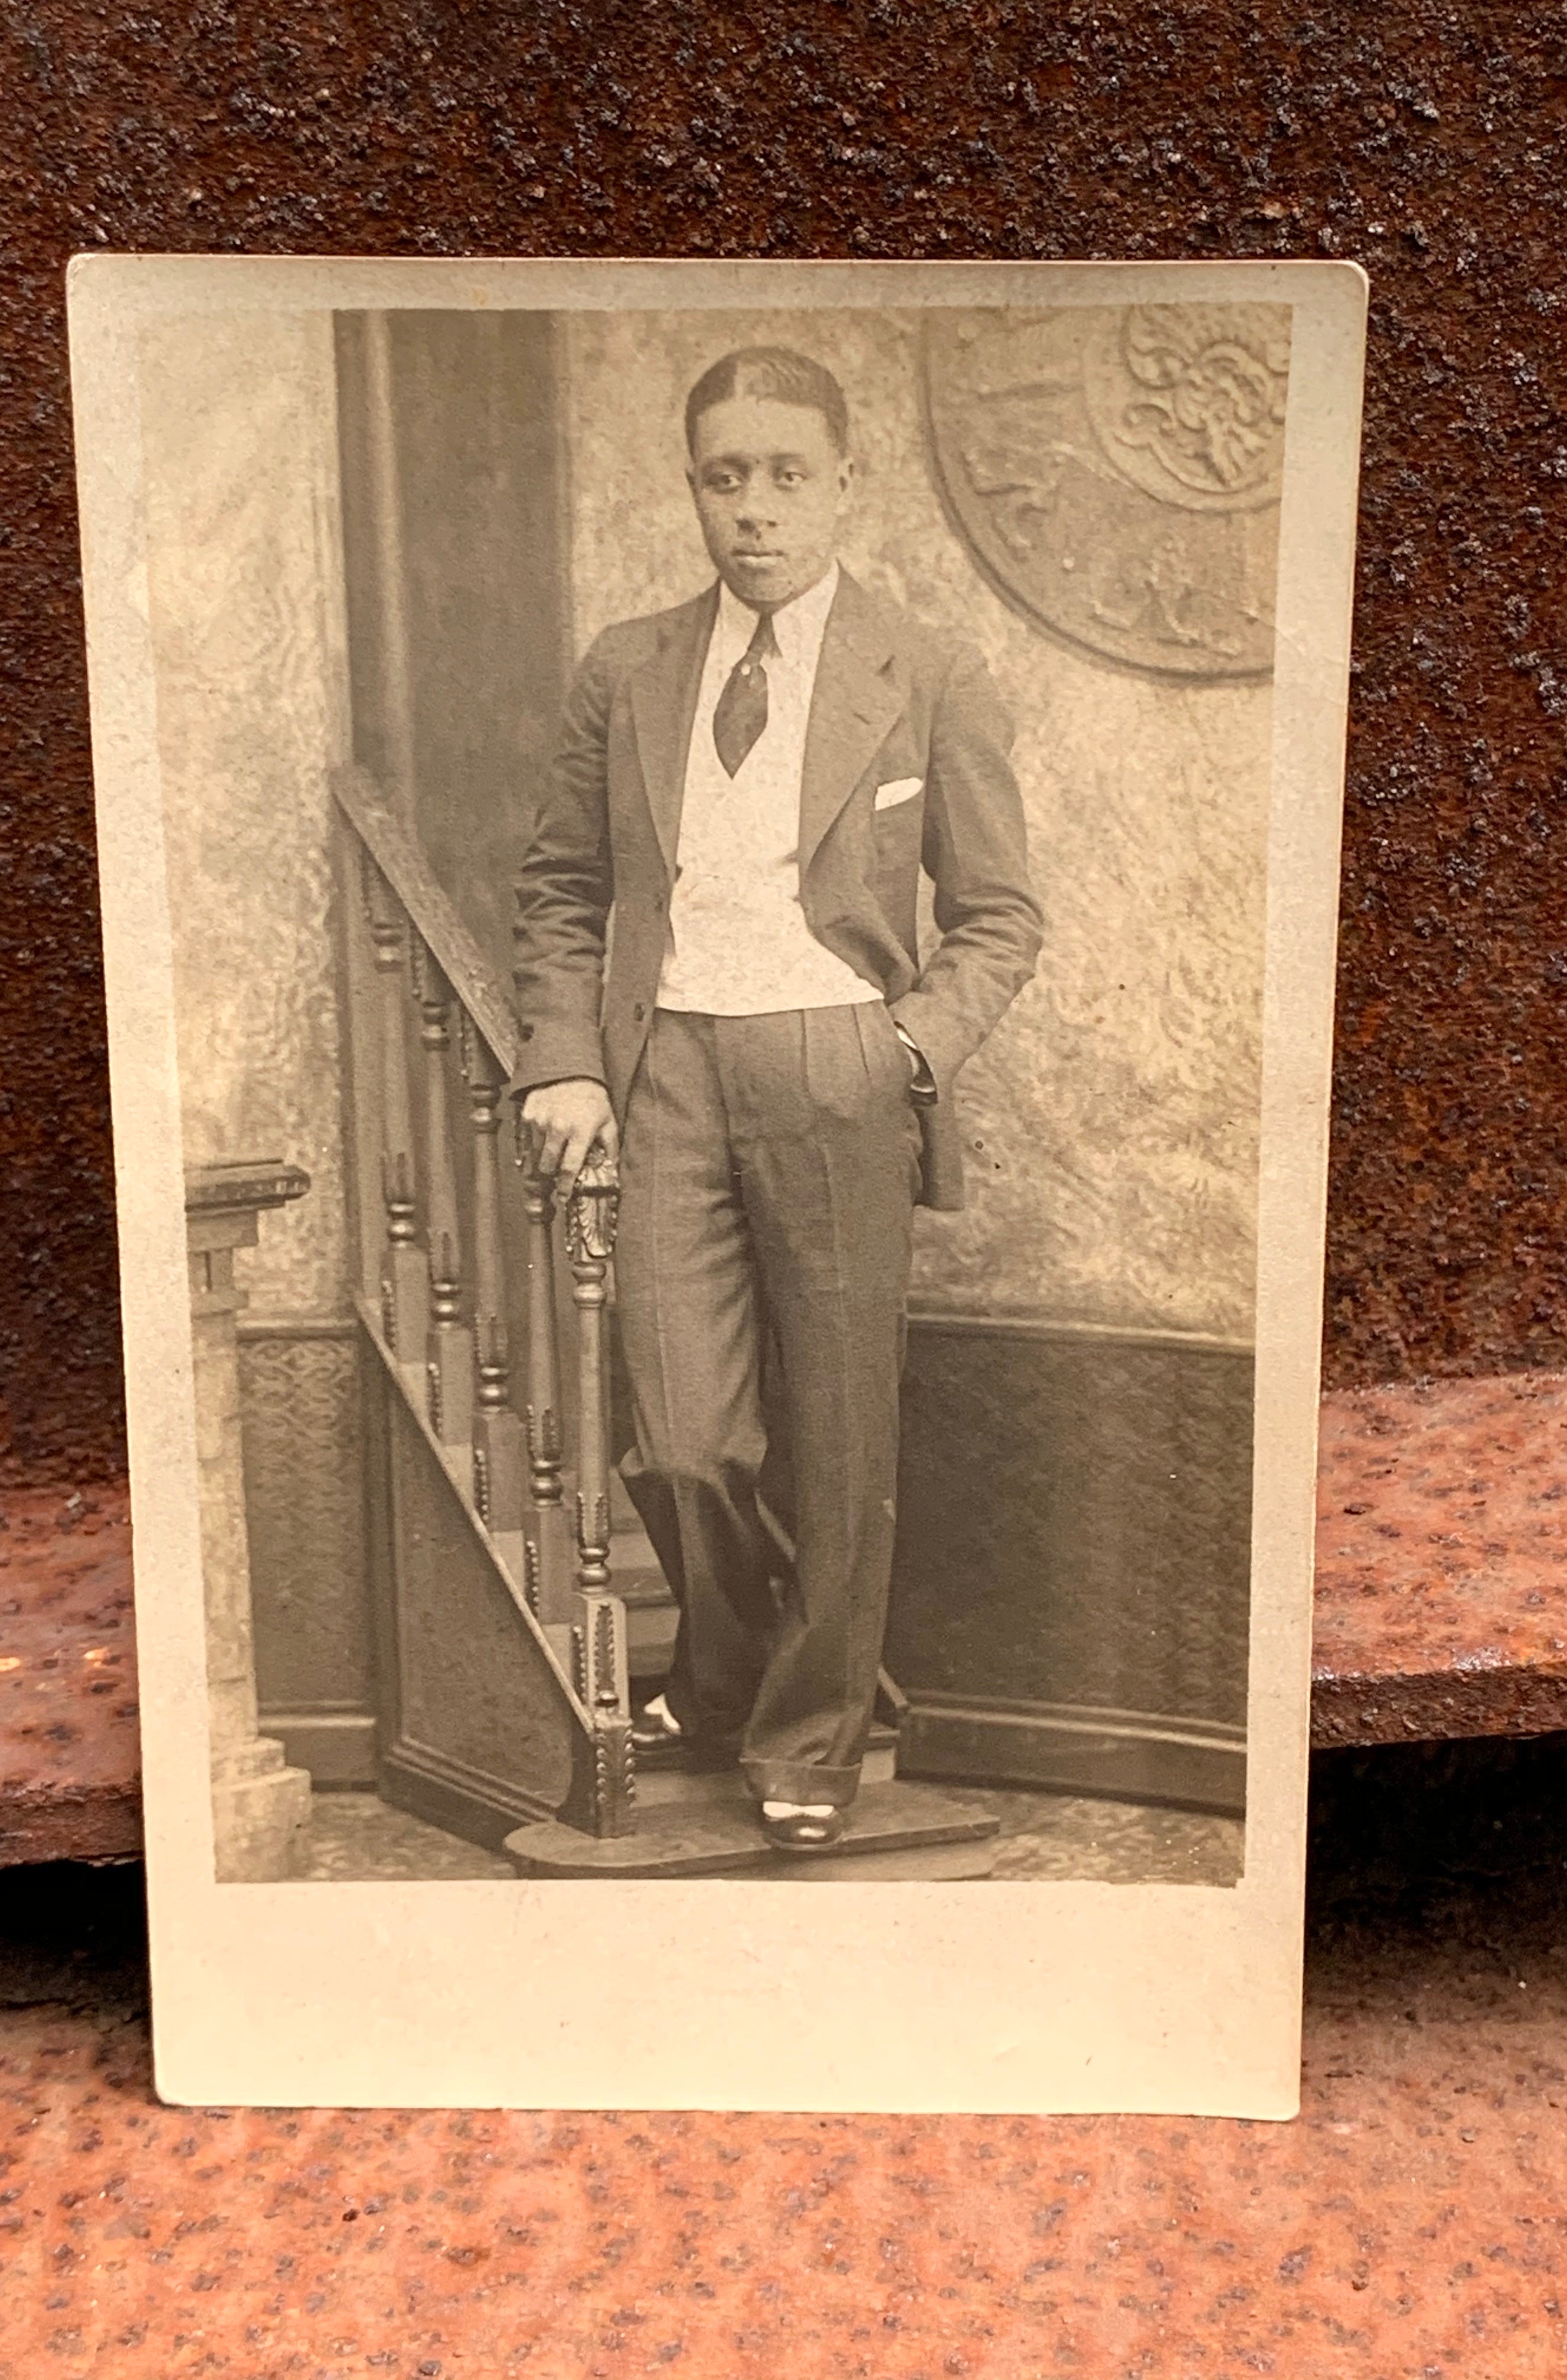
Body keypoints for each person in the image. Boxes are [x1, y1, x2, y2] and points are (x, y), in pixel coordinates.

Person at [511, 345, 1042, 1852]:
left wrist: (908, 1046)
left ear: (844, 485)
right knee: (684, 1439)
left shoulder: (924, 669)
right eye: (723, 475)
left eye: (786, 474)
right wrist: (565, 1058)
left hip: (837, 1064)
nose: (754, 508)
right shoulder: (627, 665)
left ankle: (812, 1736)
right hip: (664, 1062)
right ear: (692, 487)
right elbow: (560, 887)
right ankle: (750, 1676)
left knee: (841, 1433)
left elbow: (999, 914)